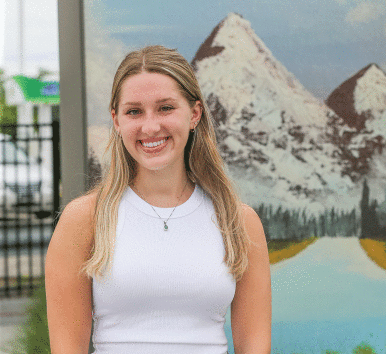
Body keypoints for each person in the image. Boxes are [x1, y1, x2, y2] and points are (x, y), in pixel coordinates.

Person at [45, 45, 271, 354]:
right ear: (116, 119)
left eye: (165, 108)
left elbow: (255, 346)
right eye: (134, 111)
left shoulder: (239, 222)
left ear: (194, 114)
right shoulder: (83, 219)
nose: (150, 127)